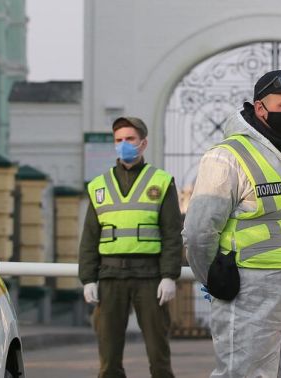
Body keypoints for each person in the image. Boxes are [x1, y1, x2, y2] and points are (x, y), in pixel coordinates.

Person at [183, 70, 281, 378]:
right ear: (260, 108)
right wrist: (214, 279)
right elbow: (198, 231)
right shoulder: (227, 157)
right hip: (249, 286)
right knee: (243, 373)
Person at [79, 116, 183, 378]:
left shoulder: (161, 181)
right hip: (110, 276)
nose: (123, 144)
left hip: (149, 277)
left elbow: (172, 233)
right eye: (118, 140)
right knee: (109, 359)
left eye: (130, 139)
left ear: (143, 143)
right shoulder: (98, 186)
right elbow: (90, 237)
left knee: (159, 358)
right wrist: (88, 279)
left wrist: (170, 276)